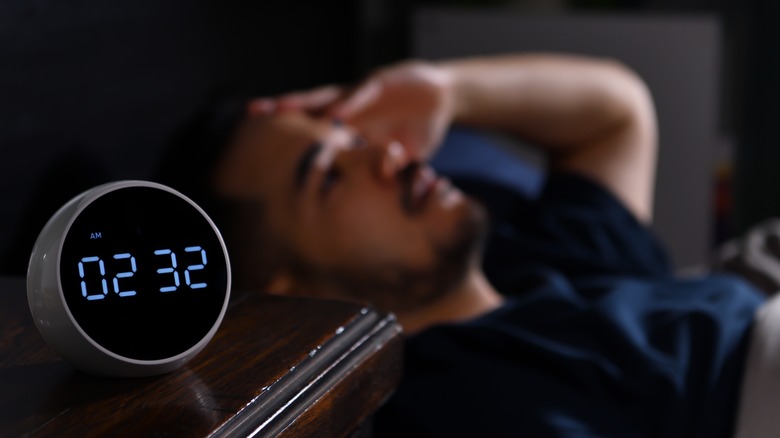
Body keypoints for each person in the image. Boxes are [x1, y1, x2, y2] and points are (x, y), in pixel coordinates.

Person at [158, 54, 765, 436]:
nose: (390, 153)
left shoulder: (545, 256)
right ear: (286, 291)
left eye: (355, 132)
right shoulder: (455, 402)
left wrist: (446, 88)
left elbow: (617, 111)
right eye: (331, 174)